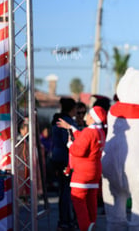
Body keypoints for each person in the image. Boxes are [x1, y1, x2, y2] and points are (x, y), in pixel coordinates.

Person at [56, 106, 107, 231]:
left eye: (88, 114)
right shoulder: (100, 132)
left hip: (83, 173)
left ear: (92, 117)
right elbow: (85, 140)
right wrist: (72, 128)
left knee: (78, 199)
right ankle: (92, 223)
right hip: (95, 171)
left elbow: (79, 150)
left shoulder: (89, 132)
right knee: (91, 201)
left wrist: (70, 145)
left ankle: (86, 226)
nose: (86, 117)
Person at [51, 97, 77, 231]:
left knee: (63, 192)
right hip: (67, 160)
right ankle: (66, 221)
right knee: (68, 192)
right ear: (72, 109)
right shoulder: (67, 122)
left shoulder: (56, 120)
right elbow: (70, 141)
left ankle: (63, 221)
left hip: (57, 158)